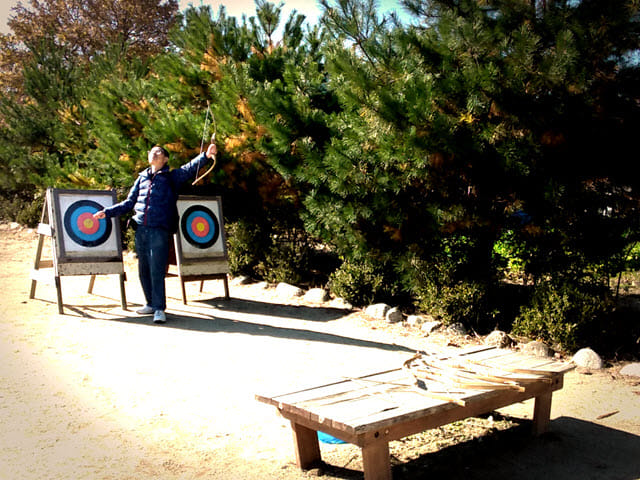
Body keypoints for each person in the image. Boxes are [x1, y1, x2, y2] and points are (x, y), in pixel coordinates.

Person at [94, 143, 217, 324]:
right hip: (141, 229)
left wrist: (206, 156)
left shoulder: (171, 177)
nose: (154, 153)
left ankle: (159, 309)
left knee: (157, 270)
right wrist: (108, 212)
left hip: (159, 229)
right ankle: (150, 303)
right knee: (143, 269)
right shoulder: (141, 178)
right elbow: (129, 202)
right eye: (152, 151)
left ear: (165, 159)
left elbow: (189, 169)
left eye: (159, 152)